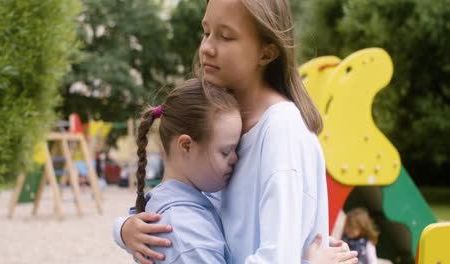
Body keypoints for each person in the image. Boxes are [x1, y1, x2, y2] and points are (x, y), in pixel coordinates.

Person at [113, 0, 358, 263]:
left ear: (266, 53)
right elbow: (191, 210)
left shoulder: (280, 131)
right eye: (206, 32)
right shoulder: (225, 125)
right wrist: (125, 229)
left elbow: (279, 256)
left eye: (226, 36)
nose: (206, 48)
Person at [129, 79, 241, 263]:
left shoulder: (174, 206)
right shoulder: (186, 234)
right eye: (225, 151)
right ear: (186, 146)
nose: (235, 158)